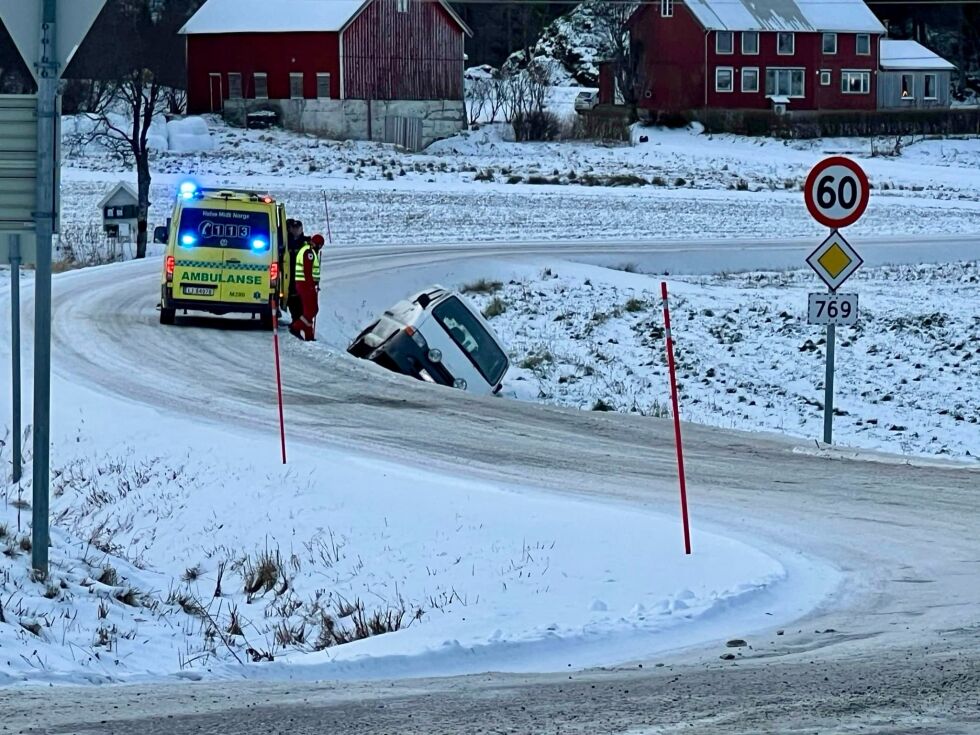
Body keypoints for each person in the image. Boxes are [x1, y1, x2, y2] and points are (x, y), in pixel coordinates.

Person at [290, 233, 324, 341]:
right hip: (305, 285)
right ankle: (296, 327)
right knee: (311, 310)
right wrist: (310, 286)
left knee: (311, 310)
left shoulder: (308, 250)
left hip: (306, 284)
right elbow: (307, 271)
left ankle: (309, 335)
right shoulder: (309, 252)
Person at [285, 219, 309, 325]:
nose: (296, 231)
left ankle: (300, 320)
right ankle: (295, 319)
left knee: (301, 298)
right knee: (292, 298)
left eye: (298, 229)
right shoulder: (286, 241)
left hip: (301, 275)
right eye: (294, 229)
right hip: (288, 273)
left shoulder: (305, 242)